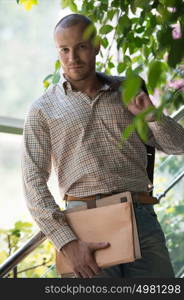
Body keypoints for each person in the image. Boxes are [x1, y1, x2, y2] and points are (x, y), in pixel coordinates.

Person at [22, 13, 184, 278]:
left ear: (97, 46)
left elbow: (179, 145)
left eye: (81, 47)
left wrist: (153, 116)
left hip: (141, 219)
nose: (72, 57)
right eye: (64, 49)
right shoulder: (42, 109)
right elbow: (32, 183)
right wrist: (67, 243)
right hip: (84, 228)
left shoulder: (128, 91)